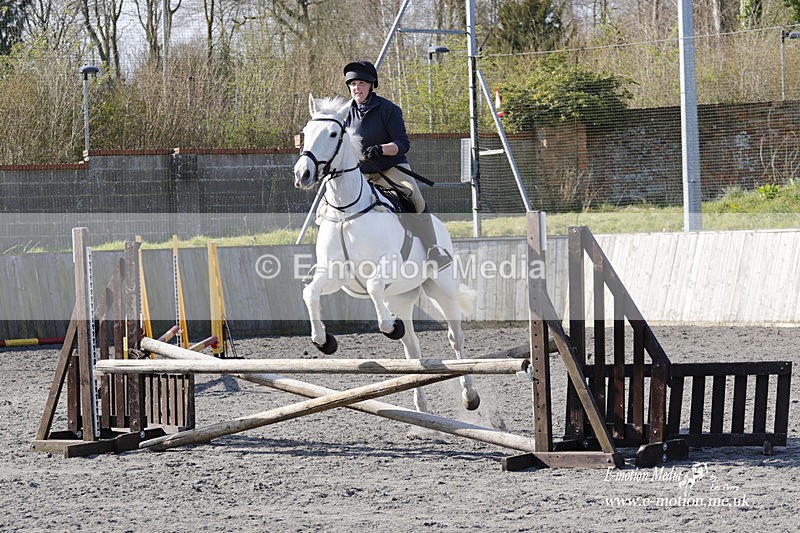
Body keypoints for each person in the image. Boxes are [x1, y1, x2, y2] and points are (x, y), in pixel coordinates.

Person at [342, 59, 452, 270]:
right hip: (360, 173)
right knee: (331, 202)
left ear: (371, 85)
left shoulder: (389, 109)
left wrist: (381, 149)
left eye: (361, 84)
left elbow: (402, 143)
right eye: (353, 84)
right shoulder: (345, 112)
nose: (357, 88)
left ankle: (433, 249)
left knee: (414, 197)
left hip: (389, 168)